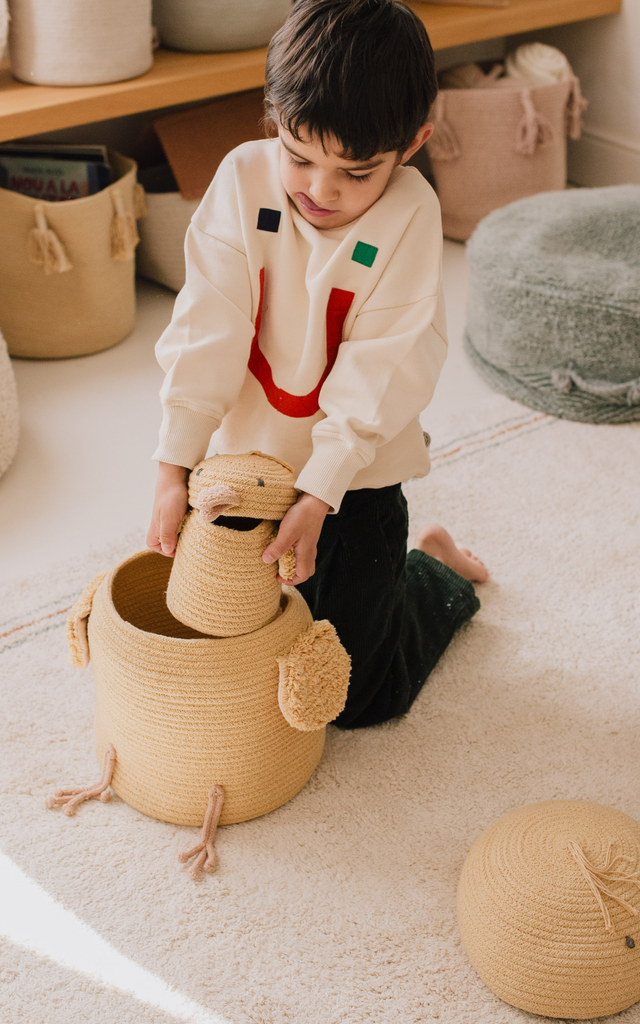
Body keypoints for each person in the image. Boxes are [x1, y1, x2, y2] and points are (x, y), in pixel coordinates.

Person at [147, 0, 487, 728]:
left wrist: (322, 492)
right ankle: (397, 570)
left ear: (414, 142)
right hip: (247, 462)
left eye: (356, 172)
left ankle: (435, 575)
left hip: (357, 472)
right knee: (236, 646)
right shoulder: (242, 180)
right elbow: (208, 325)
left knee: (358, 699)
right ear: (271, 116)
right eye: (298, 157)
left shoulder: (410, 215)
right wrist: (173, 468)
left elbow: (385, 363)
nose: (320, 191)